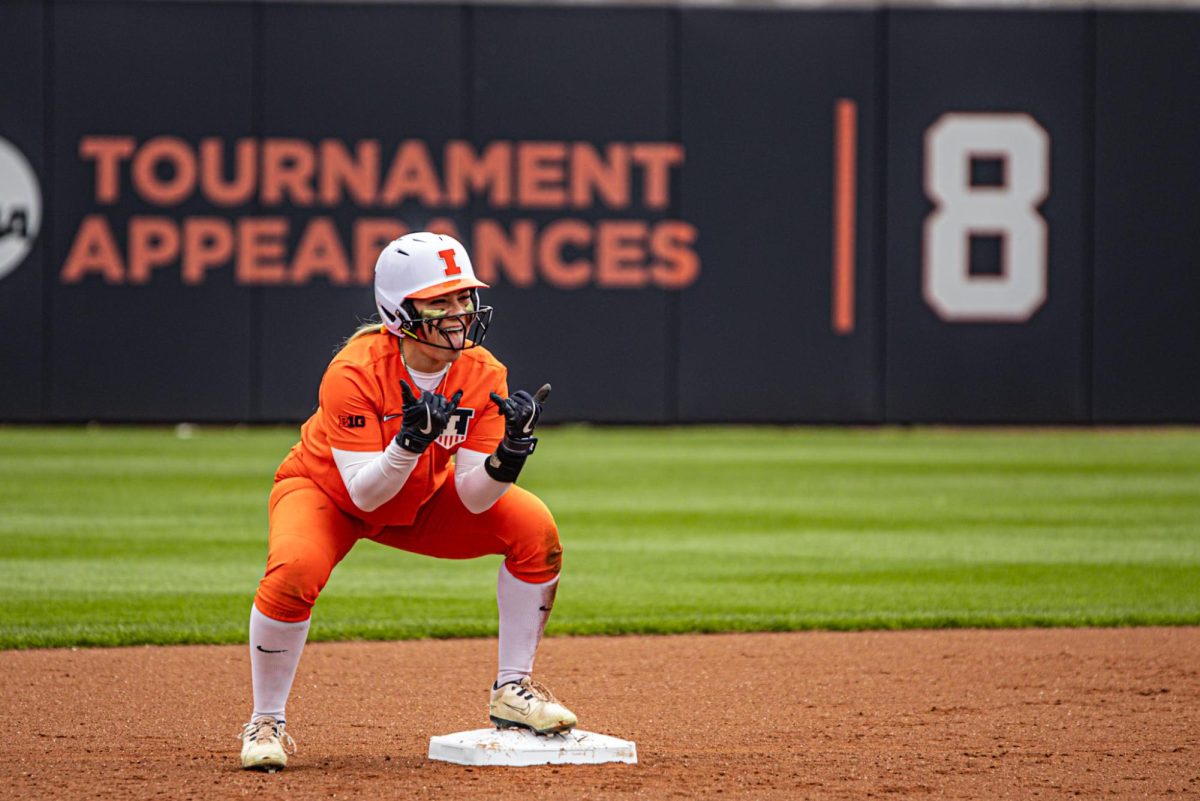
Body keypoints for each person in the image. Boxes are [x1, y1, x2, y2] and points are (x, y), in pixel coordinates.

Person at [237, 232, 574, 771]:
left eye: (463, 297)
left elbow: (473, 493)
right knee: (295, 568)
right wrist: (410, 442)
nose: (459, 312)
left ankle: (513, 690)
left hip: (421, 497)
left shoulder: (482, 370)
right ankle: (266, 720)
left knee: (534, 527)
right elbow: (363, 493)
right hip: (329, 494)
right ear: (398, 310)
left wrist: (509, 455)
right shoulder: (354, 370)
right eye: (440, 301)